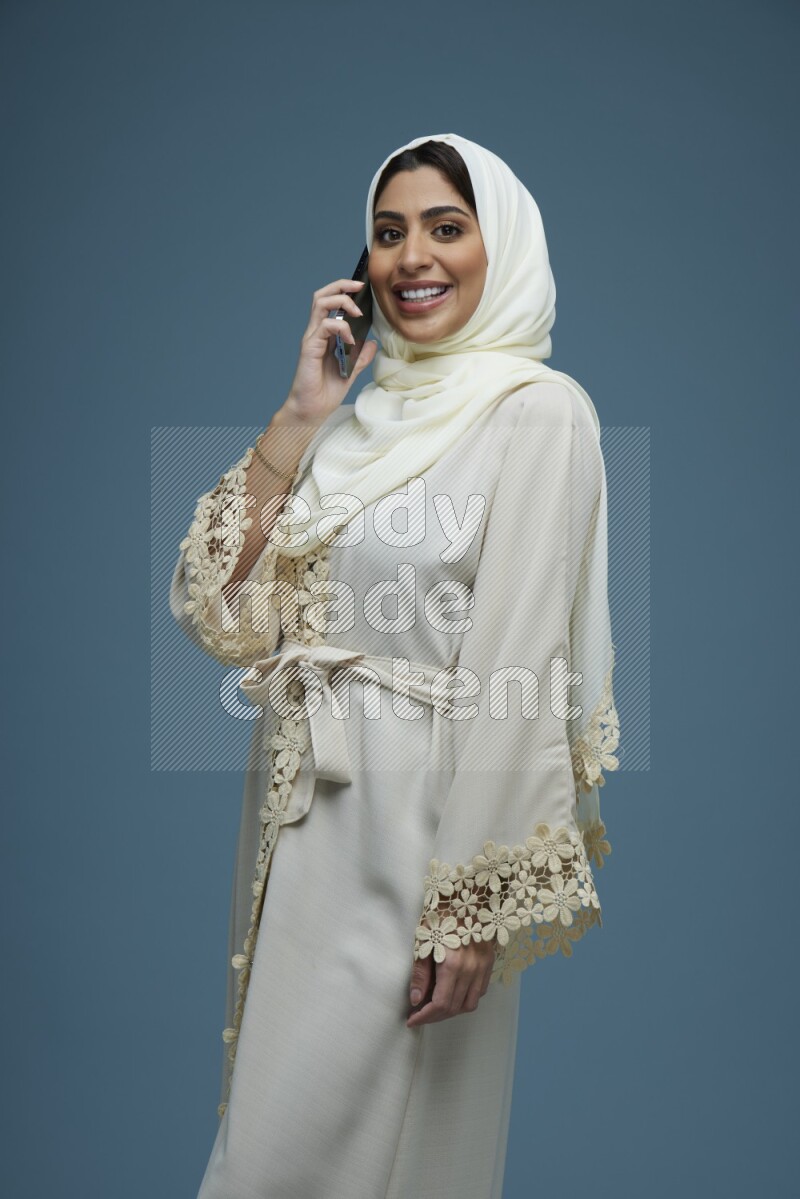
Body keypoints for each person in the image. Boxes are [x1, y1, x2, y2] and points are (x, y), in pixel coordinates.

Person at [170, 131, 620, 1199]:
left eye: (444, 228)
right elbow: (220, 612)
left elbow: (519, 663)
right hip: (305, 832)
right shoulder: (354, 427)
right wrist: (299, 416)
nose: (409, 257)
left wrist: (467, 912)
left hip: (416, 850)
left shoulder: (535, 413)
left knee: (367, 1161)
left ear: (497, 245)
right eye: (386, 232)